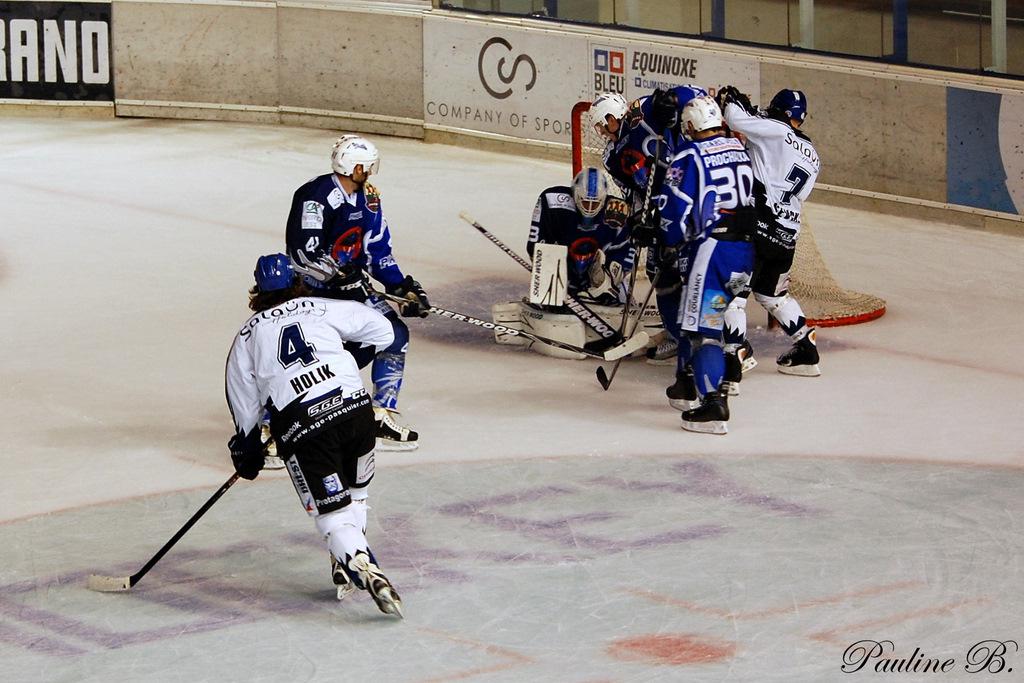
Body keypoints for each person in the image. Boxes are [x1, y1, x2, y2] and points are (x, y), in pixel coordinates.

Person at [225, 253, 403, 617]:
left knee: (332, 515)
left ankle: (361, 563)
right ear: (296, 283)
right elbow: (385, 333)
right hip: (356, 413)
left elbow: (242, 397)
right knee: (356, 493)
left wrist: (247, 444)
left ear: (257, 290)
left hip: (304, 427)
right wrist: (344, 357)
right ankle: (346, 558)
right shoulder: (321, 307)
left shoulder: (247, 334)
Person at [285, 135, 430, 451]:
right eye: (368, 166)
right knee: (305, 356)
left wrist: (400, 286)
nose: (372, 172)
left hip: (350, 289)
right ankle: (277, 420)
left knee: (395, 335)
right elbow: (303, 254)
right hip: (311, 293)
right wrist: (337, 275)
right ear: (357, 168)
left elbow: (376, 250)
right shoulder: (315, 197)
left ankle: (379, 415)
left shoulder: (369, 198)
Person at [637, 95, 757, 434]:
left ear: (690, 125)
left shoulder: (689, 154)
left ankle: (713, 403)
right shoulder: (737, 148)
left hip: (712, 253)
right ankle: (687, 383)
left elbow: (674, 208)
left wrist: (657, 233)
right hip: (744, 253)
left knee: (701, 331)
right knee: (706, 317)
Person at [717, 86, 823, 379]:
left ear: (779, 111)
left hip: (758, 229)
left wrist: (732, 101)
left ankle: (734, 357)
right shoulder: (813, 155)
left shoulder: (776, 130)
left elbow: (734, 118)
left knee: (733, 294)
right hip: (787, 234)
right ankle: (807, 348)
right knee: (772, 295)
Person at [527, 166, 632, 305]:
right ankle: (554, 295)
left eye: (594, 204)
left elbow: (626, 254)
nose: (589, 209)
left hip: (598, 276)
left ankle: (602, 293)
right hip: (565, 270)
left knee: (621, 299)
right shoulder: (551, 199)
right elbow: (535, 245)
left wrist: (608, 280)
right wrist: (546, 268)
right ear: (575, 194)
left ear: (603, 200)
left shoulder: (618, 211)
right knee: (547, 292)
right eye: (585, 202)